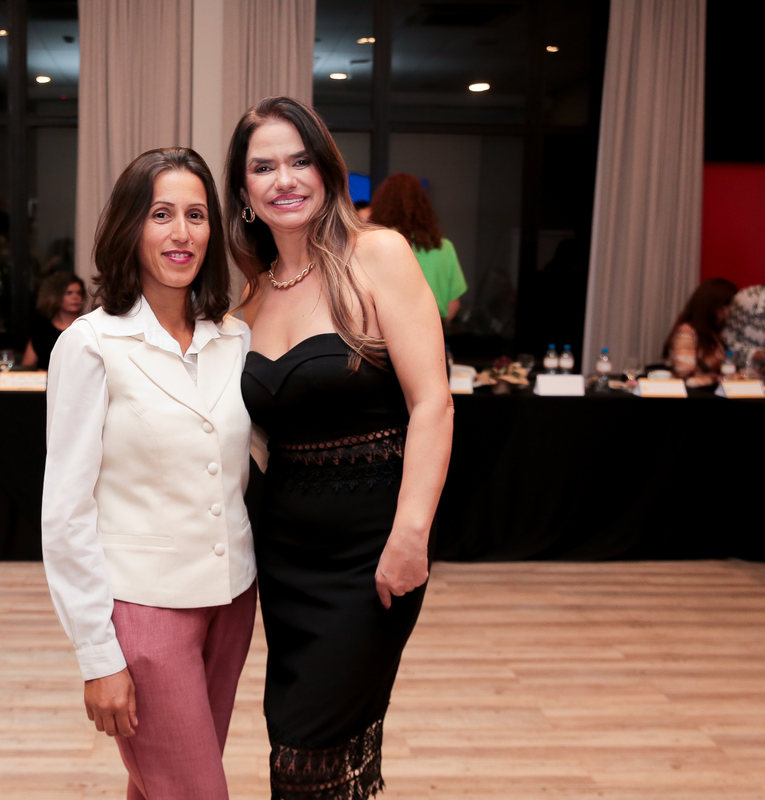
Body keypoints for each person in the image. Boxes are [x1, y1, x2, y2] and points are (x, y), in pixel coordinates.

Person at [227, 97, 453, 799]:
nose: (284, 179)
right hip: (284, 556)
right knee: (292, 740)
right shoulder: (250, 298)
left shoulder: (377, 254)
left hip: (370, 552)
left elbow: (433, 403)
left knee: (311, 754)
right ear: (244, 192)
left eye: (300, 160)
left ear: (326, 170)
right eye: (263, 167)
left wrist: (411, 534)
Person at [41, 147, 256, 800]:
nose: (181, 232)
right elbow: (66, 512)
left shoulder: (234, 338)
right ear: (130, 226)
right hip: (145, 608)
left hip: (233, 601)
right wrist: (97, 656)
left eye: (196, 214)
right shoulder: (90, 344)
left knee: (162, 786)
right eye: (161, 214)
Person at [368, 172, 467, 321]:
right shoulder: (443, 246)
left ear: (380, 204)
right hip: (435, 328)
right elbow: (452, 305)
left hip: (384, 329)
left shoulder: (374, 242)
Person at [662, 278, 737, 386]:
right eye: (723, 307)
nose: (727, 312)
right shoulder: (686, 333)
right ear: (709, 306)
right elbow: (686, 377)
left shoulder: (715, 333)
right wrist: (715, 378)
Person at [22, 271, 85, 370]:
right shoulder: (42, 331)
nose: (75, 297)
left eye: (79, 293)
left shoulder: (87, 326)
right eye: (69, 293)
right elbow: (26, 368)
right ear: (56, 296)